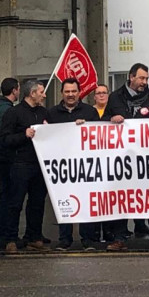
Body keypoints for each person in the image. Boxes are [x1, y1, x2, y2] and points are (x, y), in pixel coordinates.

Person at [104, 63, 149, 252]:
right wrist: (111, 120)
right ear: (131, 77)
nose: (144, 82)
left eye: (146, 79)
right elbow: (103, 122)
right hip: (123, 158)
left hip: (147, 158)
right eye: (141, 78)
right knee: (121, 197)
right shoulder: (115, 97)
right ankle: (120, 237)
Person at [48, 77, 100, 250]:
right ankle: (65, 239)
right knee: (64, 201)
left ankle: (88, 239)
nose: (70, 95)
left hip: (85, 166)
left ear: (79, 93)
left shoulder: (90, 112)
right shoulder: (52, 113)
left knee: (87, 201)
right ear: (62, 93)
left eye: (74, 91)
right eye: (67, 91)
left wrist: (87, 127)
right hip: (62, 166)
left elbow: (99, 135)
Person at [0, 79, 50, 254]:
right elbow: (4, 139)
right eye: (41, 91)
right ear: (32, 93)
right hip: (20, 164)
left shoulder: (44, 112)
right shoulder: (14, 113)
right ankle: (10, 238)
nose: (44, 95)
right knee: (15, 203)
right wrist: (23, 135)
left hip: (40, 164)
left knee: (37, 202)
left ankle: (34, 236)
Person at [0, 77, 21, 242]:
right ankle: (5, 231)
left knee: (5, 193)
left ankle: (2, 230)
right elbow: (3, 134)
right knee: (8, 195)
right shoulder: (6, 110)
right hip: (5, 157)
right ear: (15, 90)